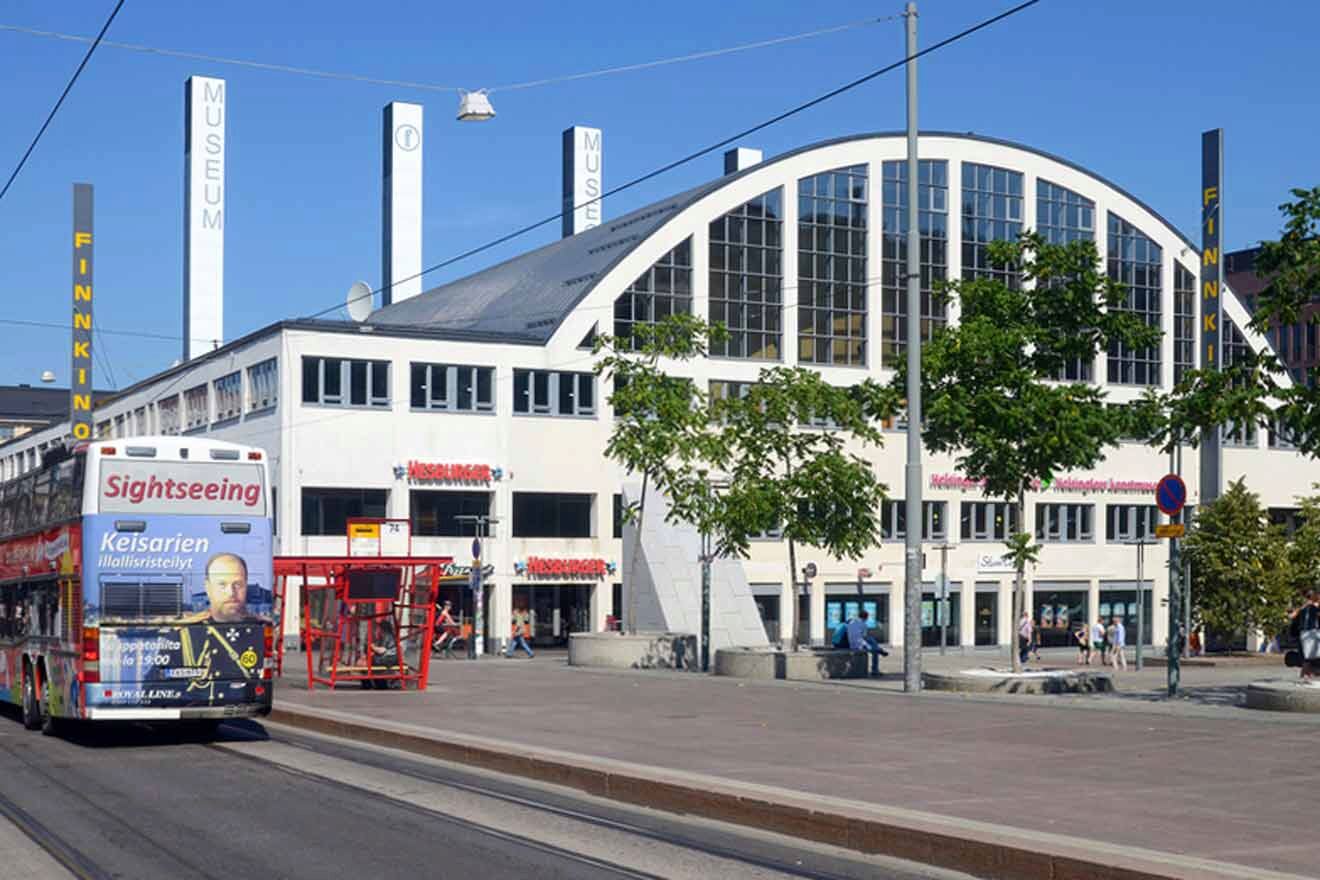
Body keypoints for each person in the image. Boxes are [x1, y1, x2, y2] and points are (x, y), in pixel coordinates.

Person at [199, 553, 248, 622]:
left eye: (238, 584)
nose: (231, 593)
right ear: (208, 588)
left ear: (246, 585)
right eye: (222, 585)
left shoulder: (264, 628)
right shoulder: (187, 632)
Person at [1288, 590, 1320, 678]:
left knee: (1308, 658)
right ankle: (1306, 676)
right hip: (1309, 633)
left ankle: (1307, 675)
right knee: (1308, 658)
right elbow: (1292, 616)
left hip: (1308, 633)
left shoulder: (1307, 608)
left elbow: (1292, 616)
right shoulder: (1306, 608)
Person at [846, 610, 887, 676]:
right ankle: (875, 670)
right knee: (875, 651)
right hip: (859, 645)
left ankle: (879, 649)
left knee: (871, 641)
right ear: (866, 618)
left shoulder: (852, 622)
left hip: (851, 644)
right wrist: (868, 645)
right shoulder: (863, 624)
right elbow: (863, 637)